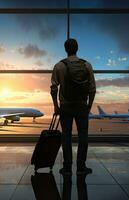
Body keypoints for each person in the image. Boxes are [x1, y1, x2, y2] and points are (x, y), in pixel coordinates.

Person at [50, 38, 96, 175]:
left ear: (65, 49)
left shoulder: (59, 66)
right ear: (77, 48)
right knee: (83, 136)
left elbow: (53, 88)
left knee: (66, 136)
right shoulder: (87, 65)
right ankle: (81, 167)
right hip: (82, 106)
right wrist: (89, 106)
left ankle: (67, 167)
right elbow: (92, 89)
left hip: (66, 106)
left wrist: (55, 106)